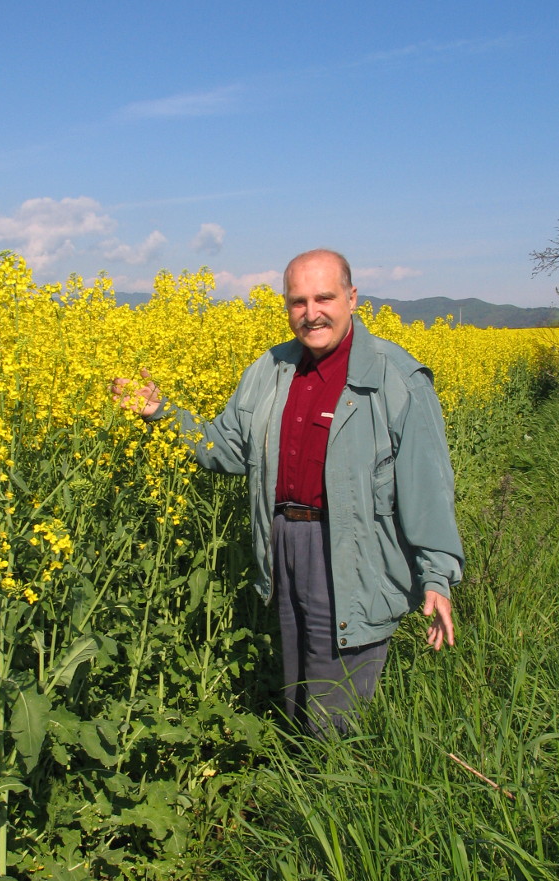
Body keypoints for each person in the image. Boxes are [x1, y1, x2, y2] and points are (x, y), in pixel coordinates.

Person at [112, 249, 463, 734]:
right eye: (298, 301)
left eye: (324, 297)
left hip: (352, 548)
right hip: (284, 543)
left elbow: (428, 489)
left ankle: (340, 790)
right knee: (298, 683)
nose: (311, 312)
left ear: (352, 298)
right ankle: (304, 782)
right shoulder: (271, 369)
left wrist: (436, 577)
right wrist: (160, 415)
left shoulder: (396, 378)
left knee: (338, 698)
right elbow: (229, 449)